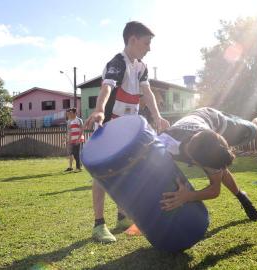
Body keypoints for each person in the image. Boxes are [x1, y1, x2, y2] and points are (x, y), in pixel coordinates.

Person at [84, 21, 170, 243]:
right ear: (132, 39)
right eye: (146, 43)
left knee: (126, 170)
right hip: (108, 126)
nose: (149, 48)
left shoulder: (141, 67)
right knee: (102, 175)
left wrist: (158, 116)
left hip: (128, 129)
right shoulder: (117, 62)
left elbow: (147, 93)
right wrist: (100, 110)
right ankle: (98, 225)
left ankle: (122, 216)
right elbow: (107, 87)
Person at [156, 107, 257, 220]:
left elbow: (215, 190)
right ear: (195, 162)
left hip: (217, 122)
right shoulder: (164, 142)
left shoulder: (207, 147)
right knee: (220, 171)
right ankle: (242, 196)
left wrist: (189, 196)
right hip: (201, 123)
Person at [65, 108, 84, 172]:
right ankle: (78, 167)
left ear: (75, 113)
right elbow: (70, 131)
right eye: (69, 113)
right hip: (72, 140)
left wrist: (78, 139)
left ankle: (78, 168)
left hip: (78, 139)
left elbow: (81, 130)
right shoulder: (70, 121)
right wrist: (69, 140)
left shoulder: (79, 120)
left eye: (71, 113)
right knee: (73, 153)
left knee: (77, 153)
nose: (70, 114)